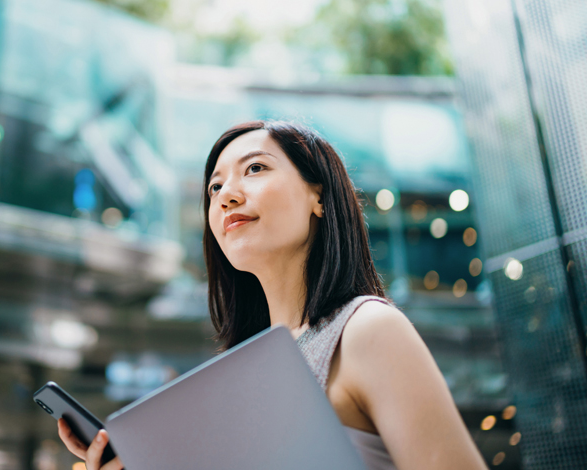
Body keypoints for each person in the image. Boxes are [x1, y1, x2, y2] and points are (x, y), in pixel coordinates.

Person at [58, 121, 488, 470]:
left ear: (318, 195)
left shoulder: (367, 330)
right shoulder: (238, 380)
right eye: (214, 188)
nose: (225, 195)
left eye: (255, 169)